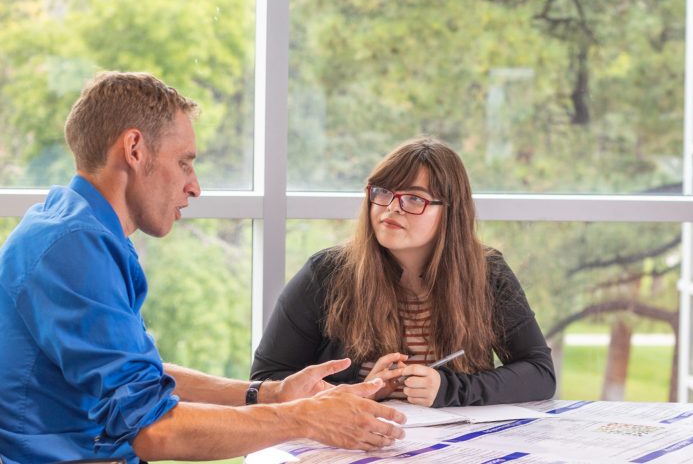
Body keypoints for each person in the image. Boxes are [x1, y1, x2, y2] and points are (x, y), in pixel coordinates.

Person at [0, 72, 404, 464]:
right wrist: (303, 419)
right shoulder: (74, 247)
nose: (194, 186)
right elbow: (153, 430)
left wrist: (271, 394)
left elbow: (139, 379)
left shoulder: (76, 226)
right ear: (135, 149)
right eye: (184, 163)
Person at [251, 137, 557, 408]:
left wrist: (448, 388)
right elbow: (265, 382)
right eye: (383, 192)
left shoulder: (488, 273)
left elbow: (540, 373)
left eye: (414, 199)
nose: (391, 208)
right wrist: (360, 392)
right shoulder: (326, 274)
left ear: (450, 212)